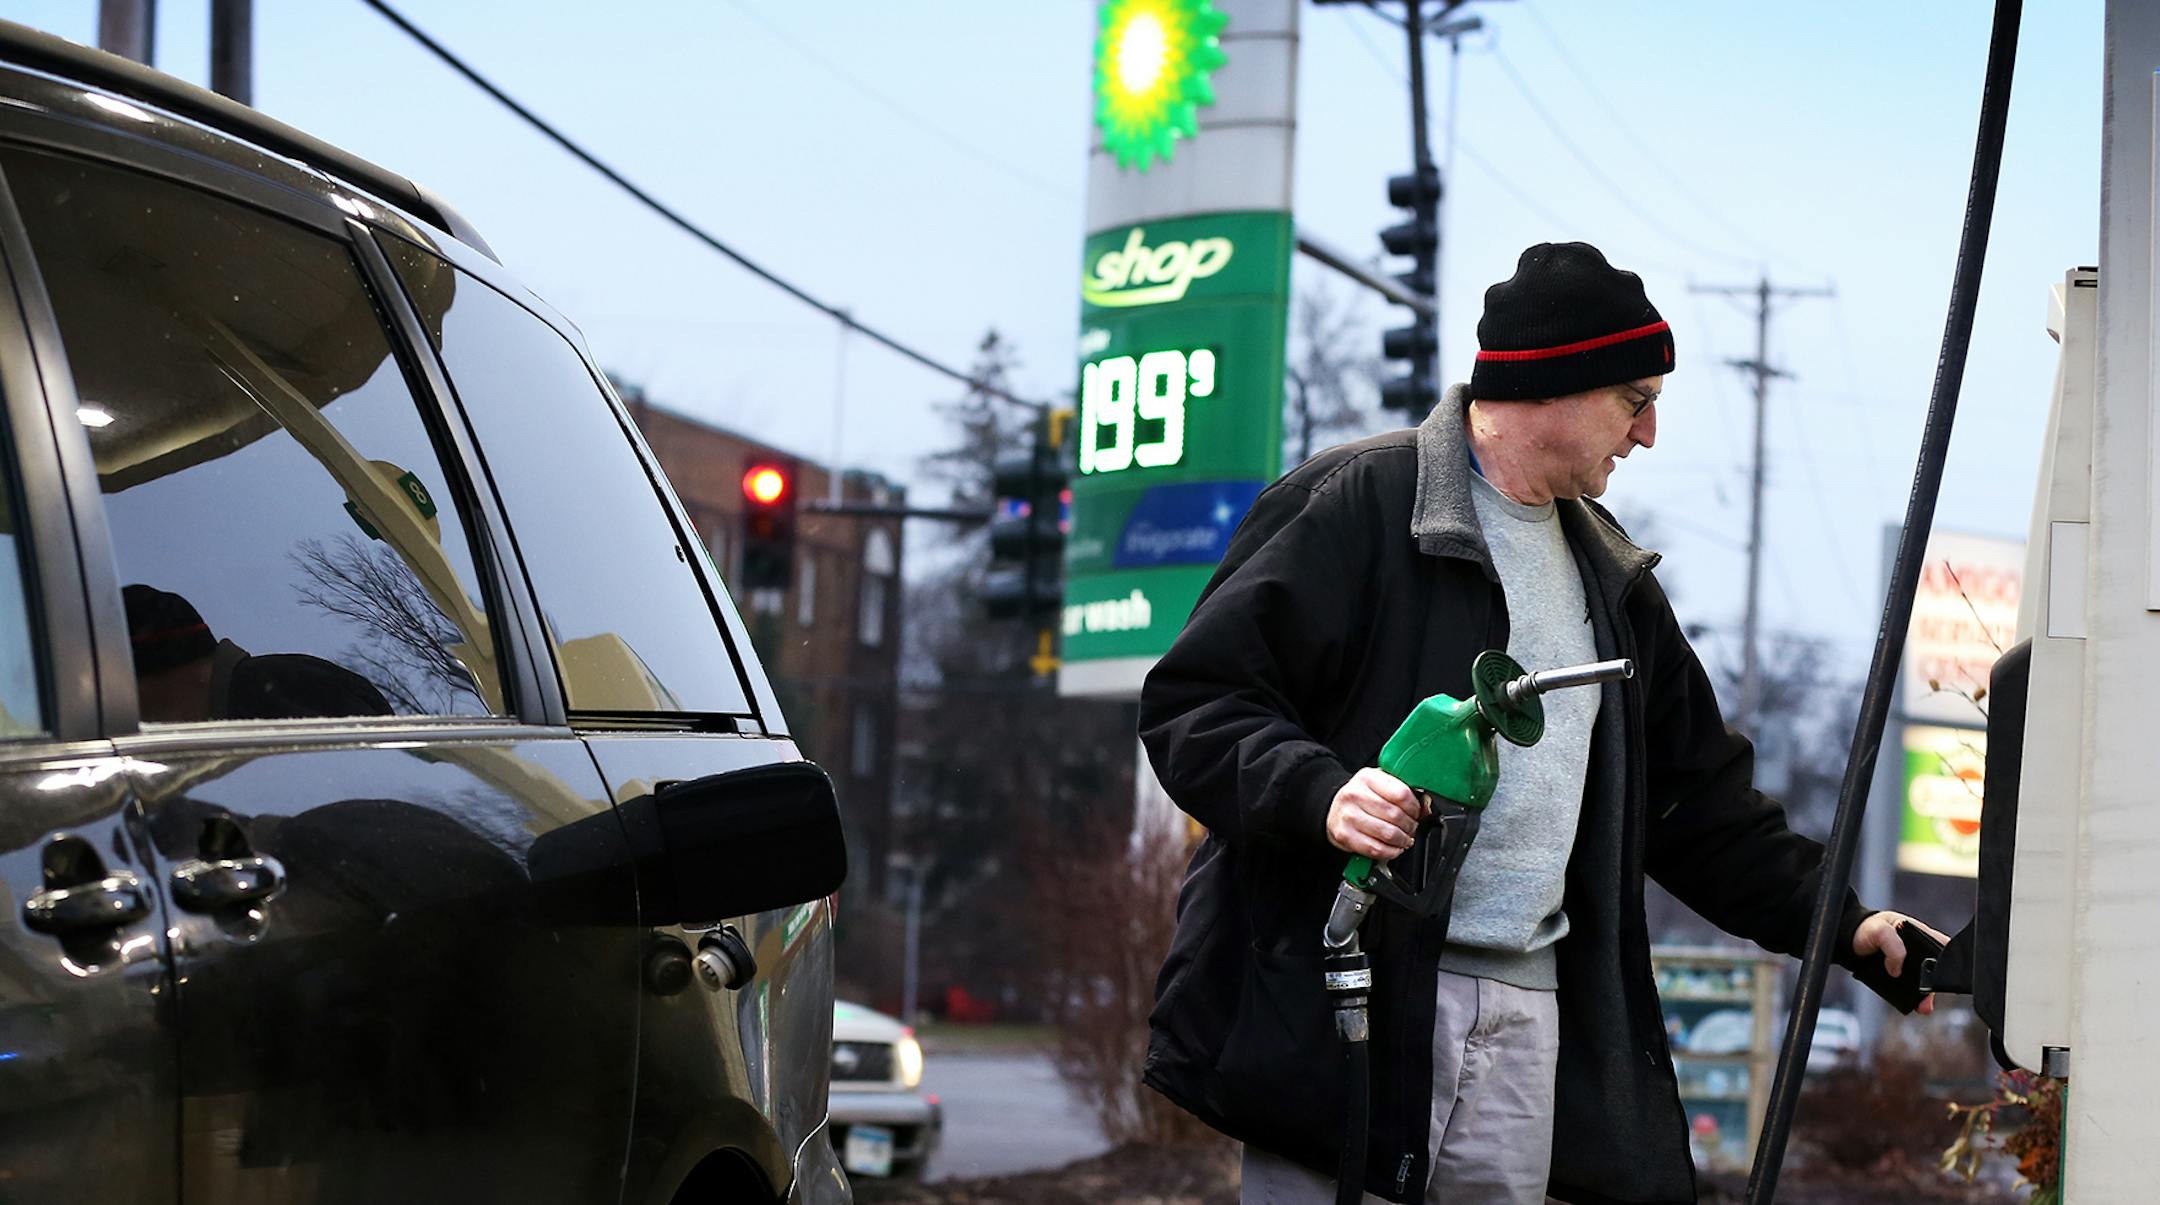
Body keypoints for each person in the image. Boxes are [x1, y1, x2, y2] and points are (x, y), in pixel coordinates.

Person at [1136, 242, 1944, 1205]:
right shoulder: (1357, 503)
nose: (1648, 433)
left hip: (1527, 1015)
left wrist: (1849, 926)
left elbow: (1701, 812)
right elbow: (1198, 701)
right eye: (1634, 399)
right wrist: (1322, 794)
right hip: (1350, 1003)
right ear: (1553, 383)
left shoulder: (1615, 581)